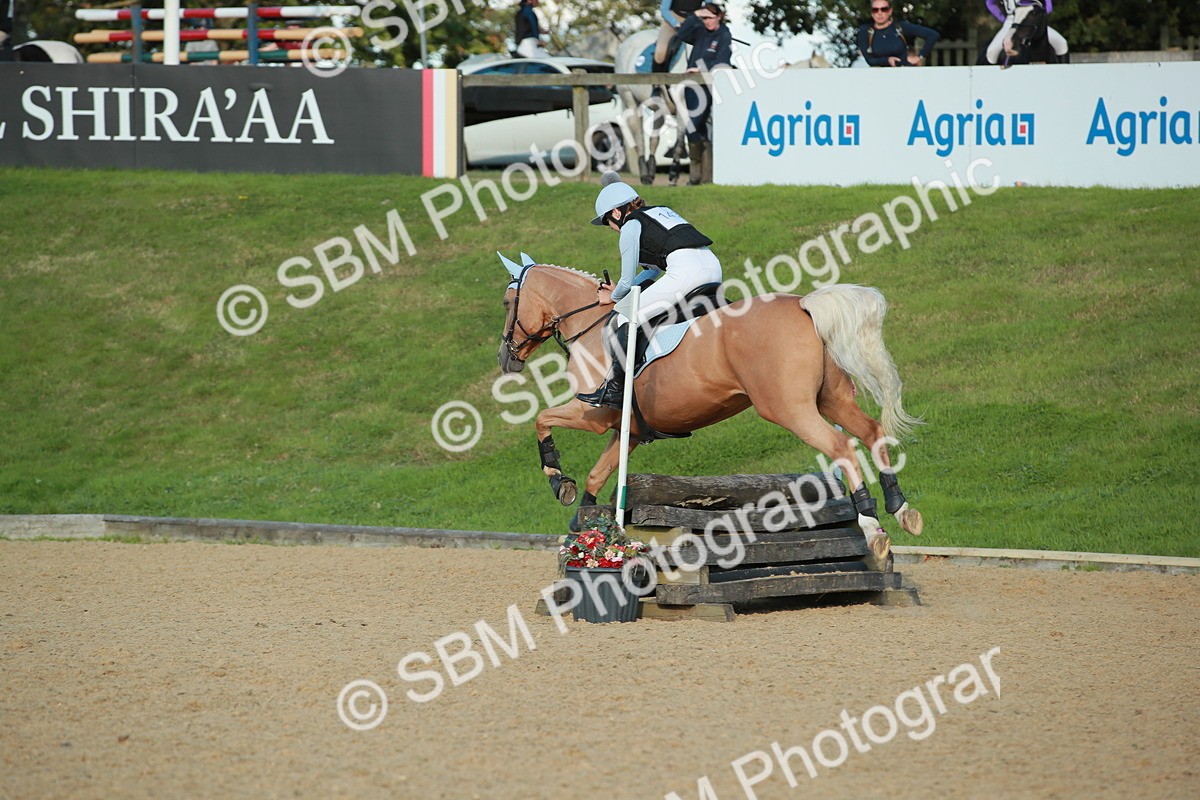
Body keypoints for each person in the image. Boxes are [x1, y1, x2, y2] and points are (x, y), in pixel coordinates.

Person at [576, 173, 723, 409]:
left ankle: (614, 390)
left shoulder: (630, 226)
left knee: (625, 316)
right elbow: (652, 272)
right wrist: (625, 290)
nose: (611, 228)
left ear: (616, 213)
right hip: (713, 267)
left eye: (607, 223)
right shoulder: (659, 212)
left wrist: (612, 297)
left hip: (685, 272)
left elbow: (625, 280)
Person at [675, 4, 732, 185]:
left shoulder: (724, 35)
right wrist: (695, 15)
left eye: (709, 18)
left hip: (708, 87)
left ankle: (697, 174)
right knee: (696, 129)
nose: (706, 21)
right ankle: (701, 176)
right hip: (692, 85)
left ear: (719, 17)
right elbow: (682, 34)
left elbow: (723, 61)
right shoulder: (699, 29)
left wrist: (700, 68)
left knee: (694, 125)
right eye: (704, 18)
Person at [856, 2, 940, 67]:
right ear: (871, 13)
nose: (879, 12)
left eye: (884, 9)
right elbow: (869, 60)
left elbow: (933, 35)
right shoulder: (865, 31)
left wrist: (920, 56)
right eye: (875, 10)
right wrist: (888, 60)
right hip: (879, 77)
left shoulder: (901, 27)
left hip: (905, 74)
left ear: (890, 11)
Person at [984, 0, 1068, 64]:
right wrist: (1003, 19)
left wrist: (1040, 16)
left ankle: (1065, 76)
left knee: (1062, 43)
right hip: (1012, 21)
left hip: (1032, 21)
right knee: (992, 52)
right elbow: (990, 3)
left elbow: (1048, 5)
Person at [653, 0, 704, 72]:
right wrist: (676, 23)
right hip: (671, 20)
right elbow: (664, 10)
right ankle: (657, 80)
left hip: (693, 21)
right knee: (661, 52)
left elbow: (708, 7)